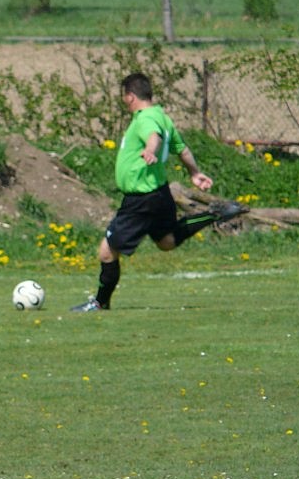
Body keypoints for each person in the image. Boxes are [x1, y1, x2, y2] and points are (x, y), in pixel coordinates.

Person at [71, 72, 245, 312]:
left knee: (107, 251)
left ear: (130, 96)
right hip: (160, 194)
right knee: (167, 241)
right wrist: (194, 173)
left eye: (124, 97)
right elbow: (182, 149)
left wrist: (150, 150)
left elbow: (153, 136)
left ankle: (100, 303)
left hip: (141, 199)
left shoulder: (145, 118)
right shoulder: (163, 117)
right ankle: (214, 214)